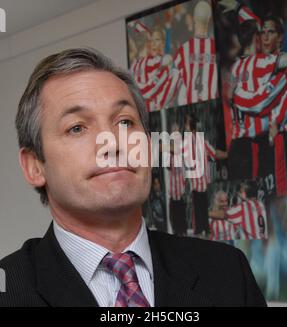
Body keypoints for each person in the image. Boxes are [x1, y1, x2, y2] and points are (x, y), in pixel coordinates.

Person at [0, 48, 266, 307]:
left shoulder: (228, 271)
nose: (113, 143)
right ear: (34, 166)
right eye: (77, 128)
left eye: (125, 122)